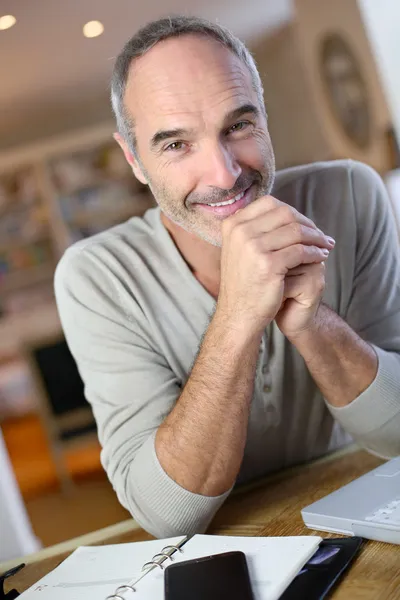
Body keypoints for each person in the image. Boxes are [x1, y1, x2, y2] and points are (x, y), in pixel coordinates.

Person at [55, 16, 400, 538]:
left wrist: (311, 324)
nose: (223, 175)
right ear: (135, 161)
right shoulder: (96, 278)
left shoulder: (351, 195)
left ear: (264, 118)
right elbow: (165, 514)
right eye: (175, 145)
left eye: (238, 126)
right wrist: (239, 313)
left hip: (363, 512)